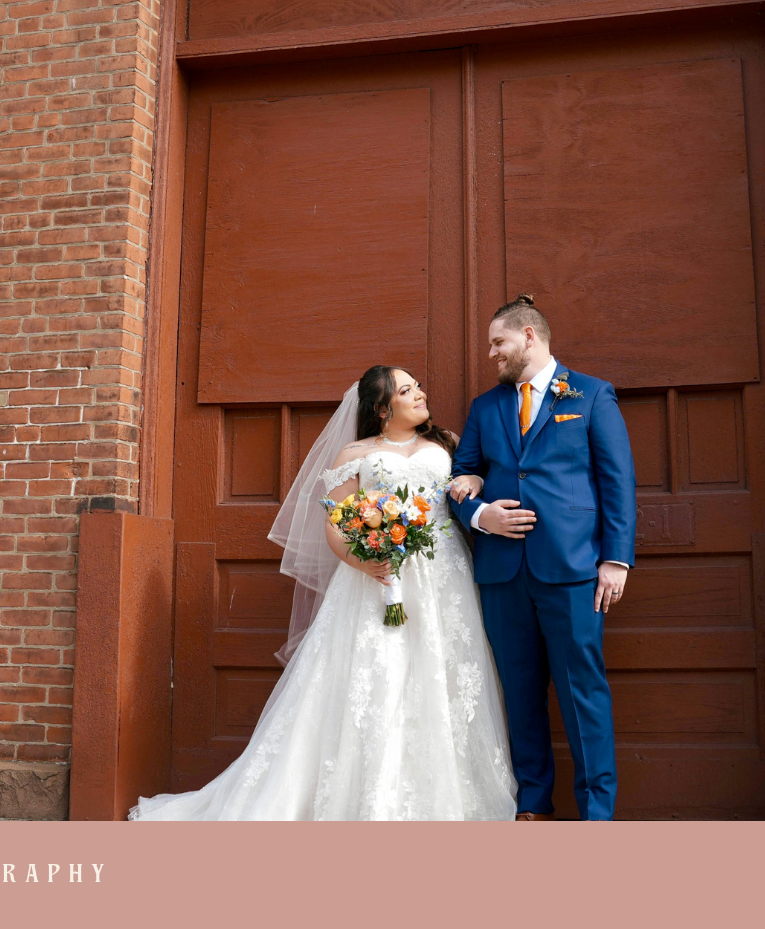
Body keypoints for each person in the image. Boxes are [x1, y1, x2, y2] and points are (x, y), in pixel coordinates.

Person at [128, 365, 516, 820]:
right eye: (407, 390)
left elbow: (470, 481)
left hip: (442, 577)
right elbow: (336, 524)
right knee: (377, 676)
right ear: (381, 407)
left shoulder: (447, 442)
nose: (420, 394)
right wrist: (363, 559)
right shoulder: (355, 453)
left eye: (418, 386)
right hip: (375, 580)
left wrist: (477, 483)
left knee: (444, 672)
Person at [447, 295, 637, 821]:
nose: (492, 354)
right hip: (502, 574)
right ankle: (533, 804)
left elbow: (617, 481)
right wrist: (483, 516)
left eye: (498, 342)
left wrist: (615, 560)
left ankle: (597, 811)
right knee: (520, 693)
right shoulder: (486, 407)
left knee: (583, 693)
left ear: (529, 336)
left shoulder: (592, 396)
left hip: (575, 571)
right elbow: (458, 480)